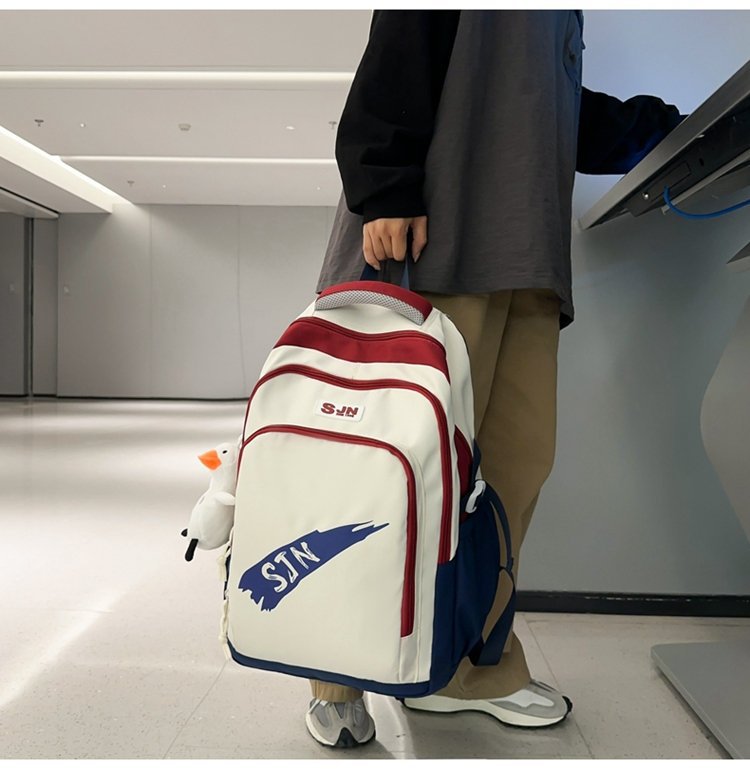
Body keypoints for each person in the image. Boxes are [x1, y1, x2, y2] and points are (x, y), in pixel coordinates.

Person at [305, 10, 684, 749]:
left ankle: (464, 671)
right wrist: (385, 185)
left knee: (509, 474)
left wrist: (667, 127)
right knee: (388, 476)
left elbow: (550, 103)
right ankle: (334, 671)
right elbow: (404, 39)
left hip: (526, 257)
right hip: (434, 242)